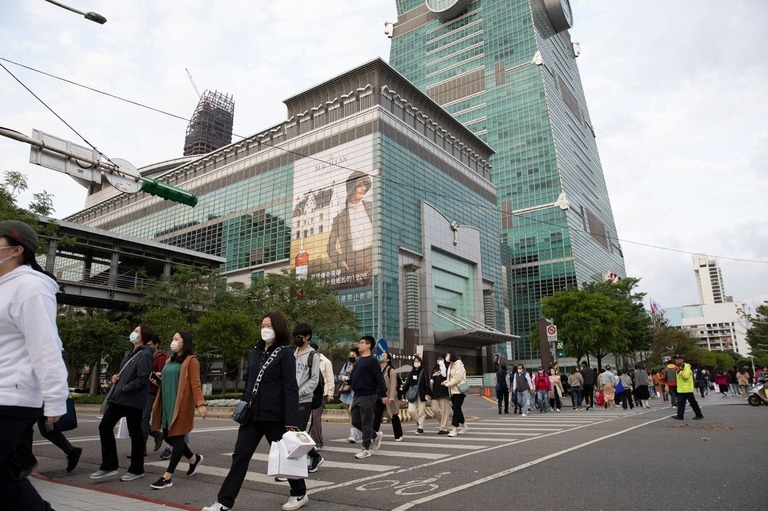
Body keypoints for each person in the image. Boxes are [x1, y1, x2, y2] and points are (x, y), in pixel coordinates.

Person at [202, 312, 307, 511]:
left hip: (275, 416)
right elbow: (250, 382)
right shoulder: (256, 352)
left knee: (285, 456)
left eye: (269, 325)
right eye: (262, 325)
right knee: (240, 456)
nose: (264, 328)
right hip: (251, 416)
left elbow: (291, 388)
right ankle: (224, 502)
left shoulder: (285, 353)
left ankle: (299, 493)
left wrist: (291, 421)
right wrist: (244, 403)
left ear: (278, 328)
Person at [0, 220, 69, 509]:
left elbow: (46, 345)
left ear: (17, 250)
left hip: (13, 395)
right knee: (5, 476)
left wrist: (55, 398)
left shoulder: (30, 287)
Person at [91, 324, 153, 482]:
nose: (133, 333)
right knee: (104, 426)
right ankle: (109, 465)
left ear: (143, 337)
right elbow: (126, 373)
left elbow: (142, 379)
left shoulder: (145, 354)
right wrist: (116, 379)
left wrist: (125, 387)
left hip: (132, 399)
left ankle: (137, 468)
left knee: (135, 433)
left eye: (137, 331)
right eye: (134, 330)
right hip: (120, 397)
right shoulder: (129, 353)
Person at [149, 331, 207, 489]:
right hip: (168, 405)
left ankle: (167, 477)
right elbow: (170, 380)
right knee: (168, 438)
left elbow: (195, 383)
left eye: (176, 339)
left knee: (178, 439)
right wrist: (159, 379)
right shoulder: (170, 360)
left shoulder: (191, 361)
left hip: (181, 406)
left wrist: (200, 404)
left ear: (184, 342)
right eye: (173, 338)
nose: (173, 342)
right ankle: (193, 458)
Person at [326, 171, 373, 287]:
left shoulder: (372, 207)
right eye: (359, 186)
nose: (363, 189)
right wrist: (341, 262)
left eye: (364, 186)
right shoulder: (339, 218)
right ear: (352, 189)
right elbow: (330, 247)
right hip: (354, 265)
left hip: (374, 259)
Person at [290, 323, 323, 473]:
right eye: (295, 336)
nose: (297, 339)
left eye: (300, 336)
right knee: (294, 433)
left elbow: (314, 379)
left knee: (298, 431)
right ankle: (314, 456)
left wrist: (300, 392)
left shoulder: (312, 356)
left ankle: (294, 466)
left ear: (307, 337)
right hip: (290, 399)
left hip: (304, 399)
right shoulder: (292, 353)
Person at [349, 336, 389, 459]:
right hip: (357, 395)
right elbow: (353, 379)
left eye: (362, 343)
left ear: (368, 346)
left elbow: (379, 378)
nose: (359, 345)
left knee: (366, 422)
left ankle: (365, 448)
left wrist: (383, 395)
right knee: (355, 421)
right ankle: (375, 436)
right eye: (359, 342)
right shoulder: (358, 362)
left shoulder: (373, 361)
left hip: (368, 395)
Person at [308, 342, 334, 450]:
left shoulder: (326, 362)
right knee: (313, 419)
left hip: (321, 394)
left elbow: (330, 378)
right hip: (309, 393)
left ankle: (317, 443)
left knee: (315, 419)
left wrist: (330, 393)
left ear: (317, 351)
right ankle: (319, 440)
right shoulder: (308, 361)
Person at [144, 333, 167, 455]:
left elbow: (164, 376)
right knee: (139, 420)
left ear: (156, 345)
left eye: (149, 345)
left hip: (152, 392)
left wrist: (155, 375)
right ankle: (156, 434)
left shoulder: (161, 358)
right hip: (142, 391)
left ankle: (141, 449)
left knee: (143, 419)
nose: (147, 347)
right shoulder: (144, 356)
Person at [373, 351, 403, 441]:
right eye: (381, 355)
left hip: (389, 396)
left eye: (383, 356)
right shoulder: (378, 370)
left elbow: (393, 384)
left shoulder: (391, 371)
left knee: (394, 415)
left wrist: (391, 397)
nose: (381, 357)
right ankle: (373, 435)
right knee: (377, 416)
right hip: (379, 396)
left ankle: (399, 435)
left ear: (388, 359)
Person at [338, 347, 362, 443]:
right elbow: (340, 375)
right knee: (350, 413)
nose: (351, 357)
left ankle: (352, 434)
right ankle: (354, 432)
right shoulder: (346, 365)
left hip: (355, 391)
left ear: (357, 357)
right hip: (346, 391)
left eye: (353, 356)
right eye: (350, 355)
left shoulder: (359, 365)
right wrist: (344, 377)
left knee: (352, 411)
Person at [670, 354, 703, 421]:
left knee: (693, 402)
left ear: (682, 360)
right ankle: (680, 415)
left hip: (687, 388)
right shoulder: (678, 368)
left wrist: (679, 371)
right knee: (680, 403)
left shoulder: (687, 367)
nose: (677, 361)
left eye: (678, 359)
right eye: (676, 359)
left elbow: (686, 376)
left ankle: (699, 414)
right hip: (680, 389)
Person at [442, 351, 468, 436]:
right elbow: (450, 378)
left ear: (452, 356)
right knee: (456, 409)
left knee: (456, 409)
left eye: (448, 355)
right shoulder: (451, 365)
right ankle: (464, 425)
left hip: (459, 390)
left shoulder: (459, 364)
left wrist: (447, 384)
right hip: (452, 391)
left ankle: (454, 429)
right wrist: (446, 382)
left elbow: (457, 378)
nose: (446, 357)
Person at [403, 355, 429, 432]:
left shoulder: (424, 371)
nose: (416, 363)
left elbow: (427, 383)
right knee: (411, 410)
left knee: (421, 411)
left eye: (418, 361)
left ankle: (420, 428)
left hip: (421, 394)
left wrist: (427, 393)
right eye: (415, 361)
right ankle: (419, 421)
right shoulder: (412, 372)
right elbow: (407, 384)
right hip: (413, 394)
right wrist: (402, 392)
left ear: (421, 362)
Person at [428, 356, 451, 434]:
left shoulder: (446, 369)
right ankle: (443, 424)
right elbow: (431, 379)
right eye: (438, 359)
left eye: (441, 359)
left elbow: (444, 375)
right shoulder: (434, 370)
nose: (439, 360)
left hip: (444, 393)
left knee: (445, 411)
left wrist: (443, 365)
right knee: (435, 409)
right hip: (435, 393)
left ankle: (444, 428)